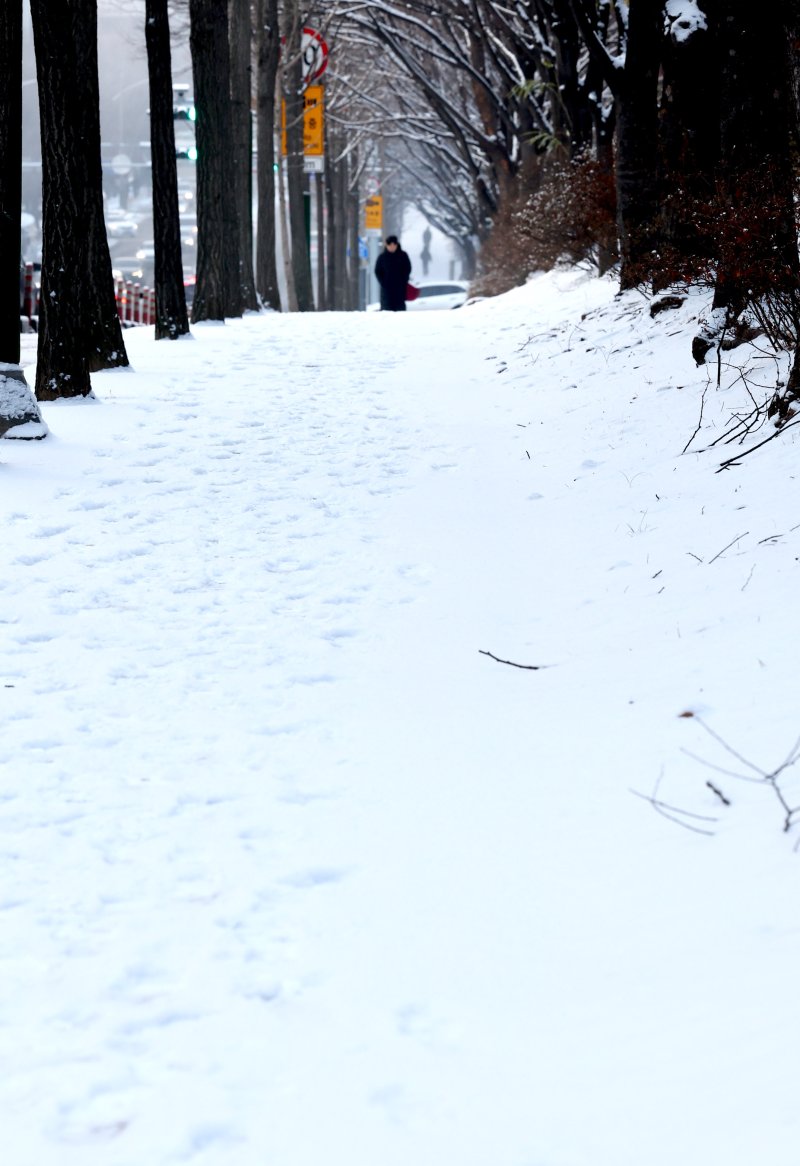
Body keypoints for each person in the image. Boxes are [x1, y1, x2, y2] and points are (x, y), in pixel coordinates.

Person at [374, 235, 411, 311]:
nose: (392, 247)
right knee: (386, 312)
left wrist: (404, 280)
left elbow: (407, 269)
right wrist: (383, 282)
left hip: (400, 289)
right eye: (390, 245)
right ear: (386, 246)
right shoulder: (382, 257)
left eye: (394, 245)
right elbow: (377, 271)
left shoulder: (403, 256)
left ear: (397, 245)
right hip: (386, 290)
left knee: (400, 312)